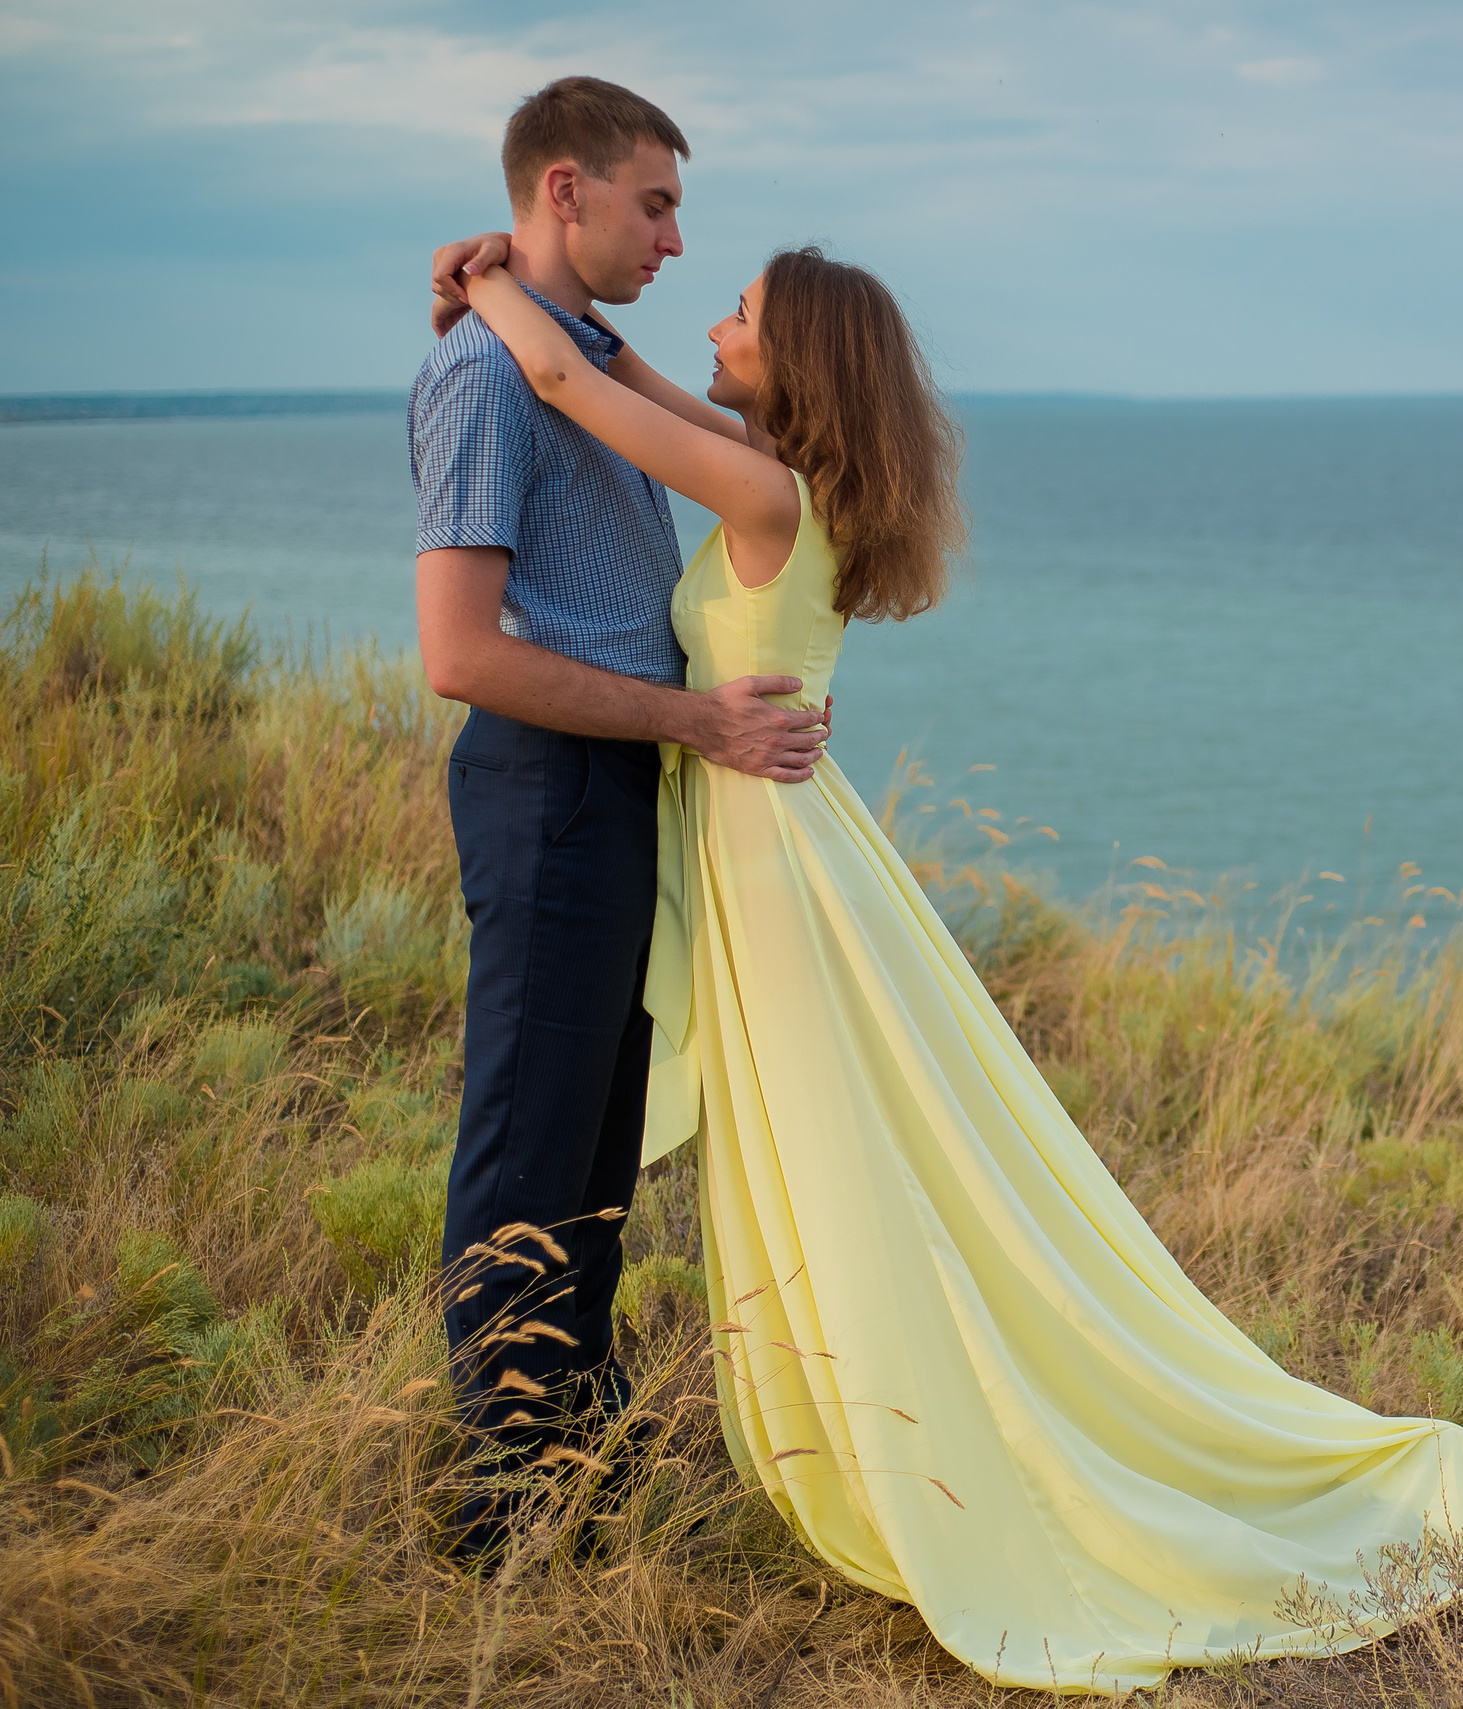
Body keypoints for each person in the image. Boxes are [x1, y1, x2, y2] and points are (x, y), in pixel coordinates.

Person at [430, 234, 1463, 1688]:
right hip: (781, 839)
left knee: (862, 1167)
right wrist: (551, 311)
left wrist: (487, 283)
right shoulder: (782, 482)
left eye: (744, 316)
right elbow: (616, 374)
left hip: (780, 859)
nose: (708, 319)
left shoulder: (765, 501)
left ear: (801, 368)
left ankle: (938, 1447)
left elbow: (572, 374)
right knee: (866, 1158)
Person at [408, 76, 831, 1556]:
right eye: (654, 203)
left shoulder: (572, 354)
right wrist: (693, 719)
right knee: (533, 1139)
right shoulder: (484, 373)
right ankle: (503, 1508)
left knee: (595, 1147)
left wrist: (497, 284)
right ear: (566, 191)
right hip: (552, 787)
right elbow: (459, 655)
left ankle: (574, 1461)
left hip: (628, 785)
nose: (670, 236)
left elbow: (603, 378)